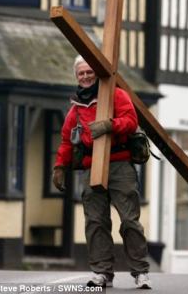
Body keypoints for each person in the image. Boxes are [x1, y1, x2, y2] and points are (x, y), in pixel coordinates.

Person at [52, 55, 151, 289]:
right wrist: (59, 167)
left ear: (96, 73)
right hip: (90, 167)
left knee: (129, 220)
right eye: (81, 73)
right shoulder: (75, 107)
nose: (85, 76)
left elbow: (130, 120)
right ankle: (102, 272)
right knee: (95, 222)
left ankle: (140, 272)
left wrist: (109, 125)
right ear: (76, 76)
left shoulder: (115, 94)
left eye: (89, 72)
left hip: (119, 164)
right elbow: (67, 141)